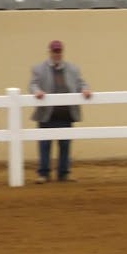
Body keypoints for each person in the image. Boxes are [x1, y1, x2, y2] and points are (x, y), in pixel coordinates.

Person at [30, 40, 91, 184]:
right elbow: (32, 84)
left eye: (59, 51)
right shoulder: (38, 68)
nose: (57, 54)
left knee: (65, 145)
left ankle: (64, 173)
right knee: (45, 145)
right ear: (50, 52)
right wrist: (37, 91)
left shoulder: (73, 69)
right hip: (47, 114)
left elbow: (82, 83)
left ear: (62, 52)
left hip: (65, 114)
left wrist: (85, 89)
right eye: (55, 51)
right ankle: (43, 174)